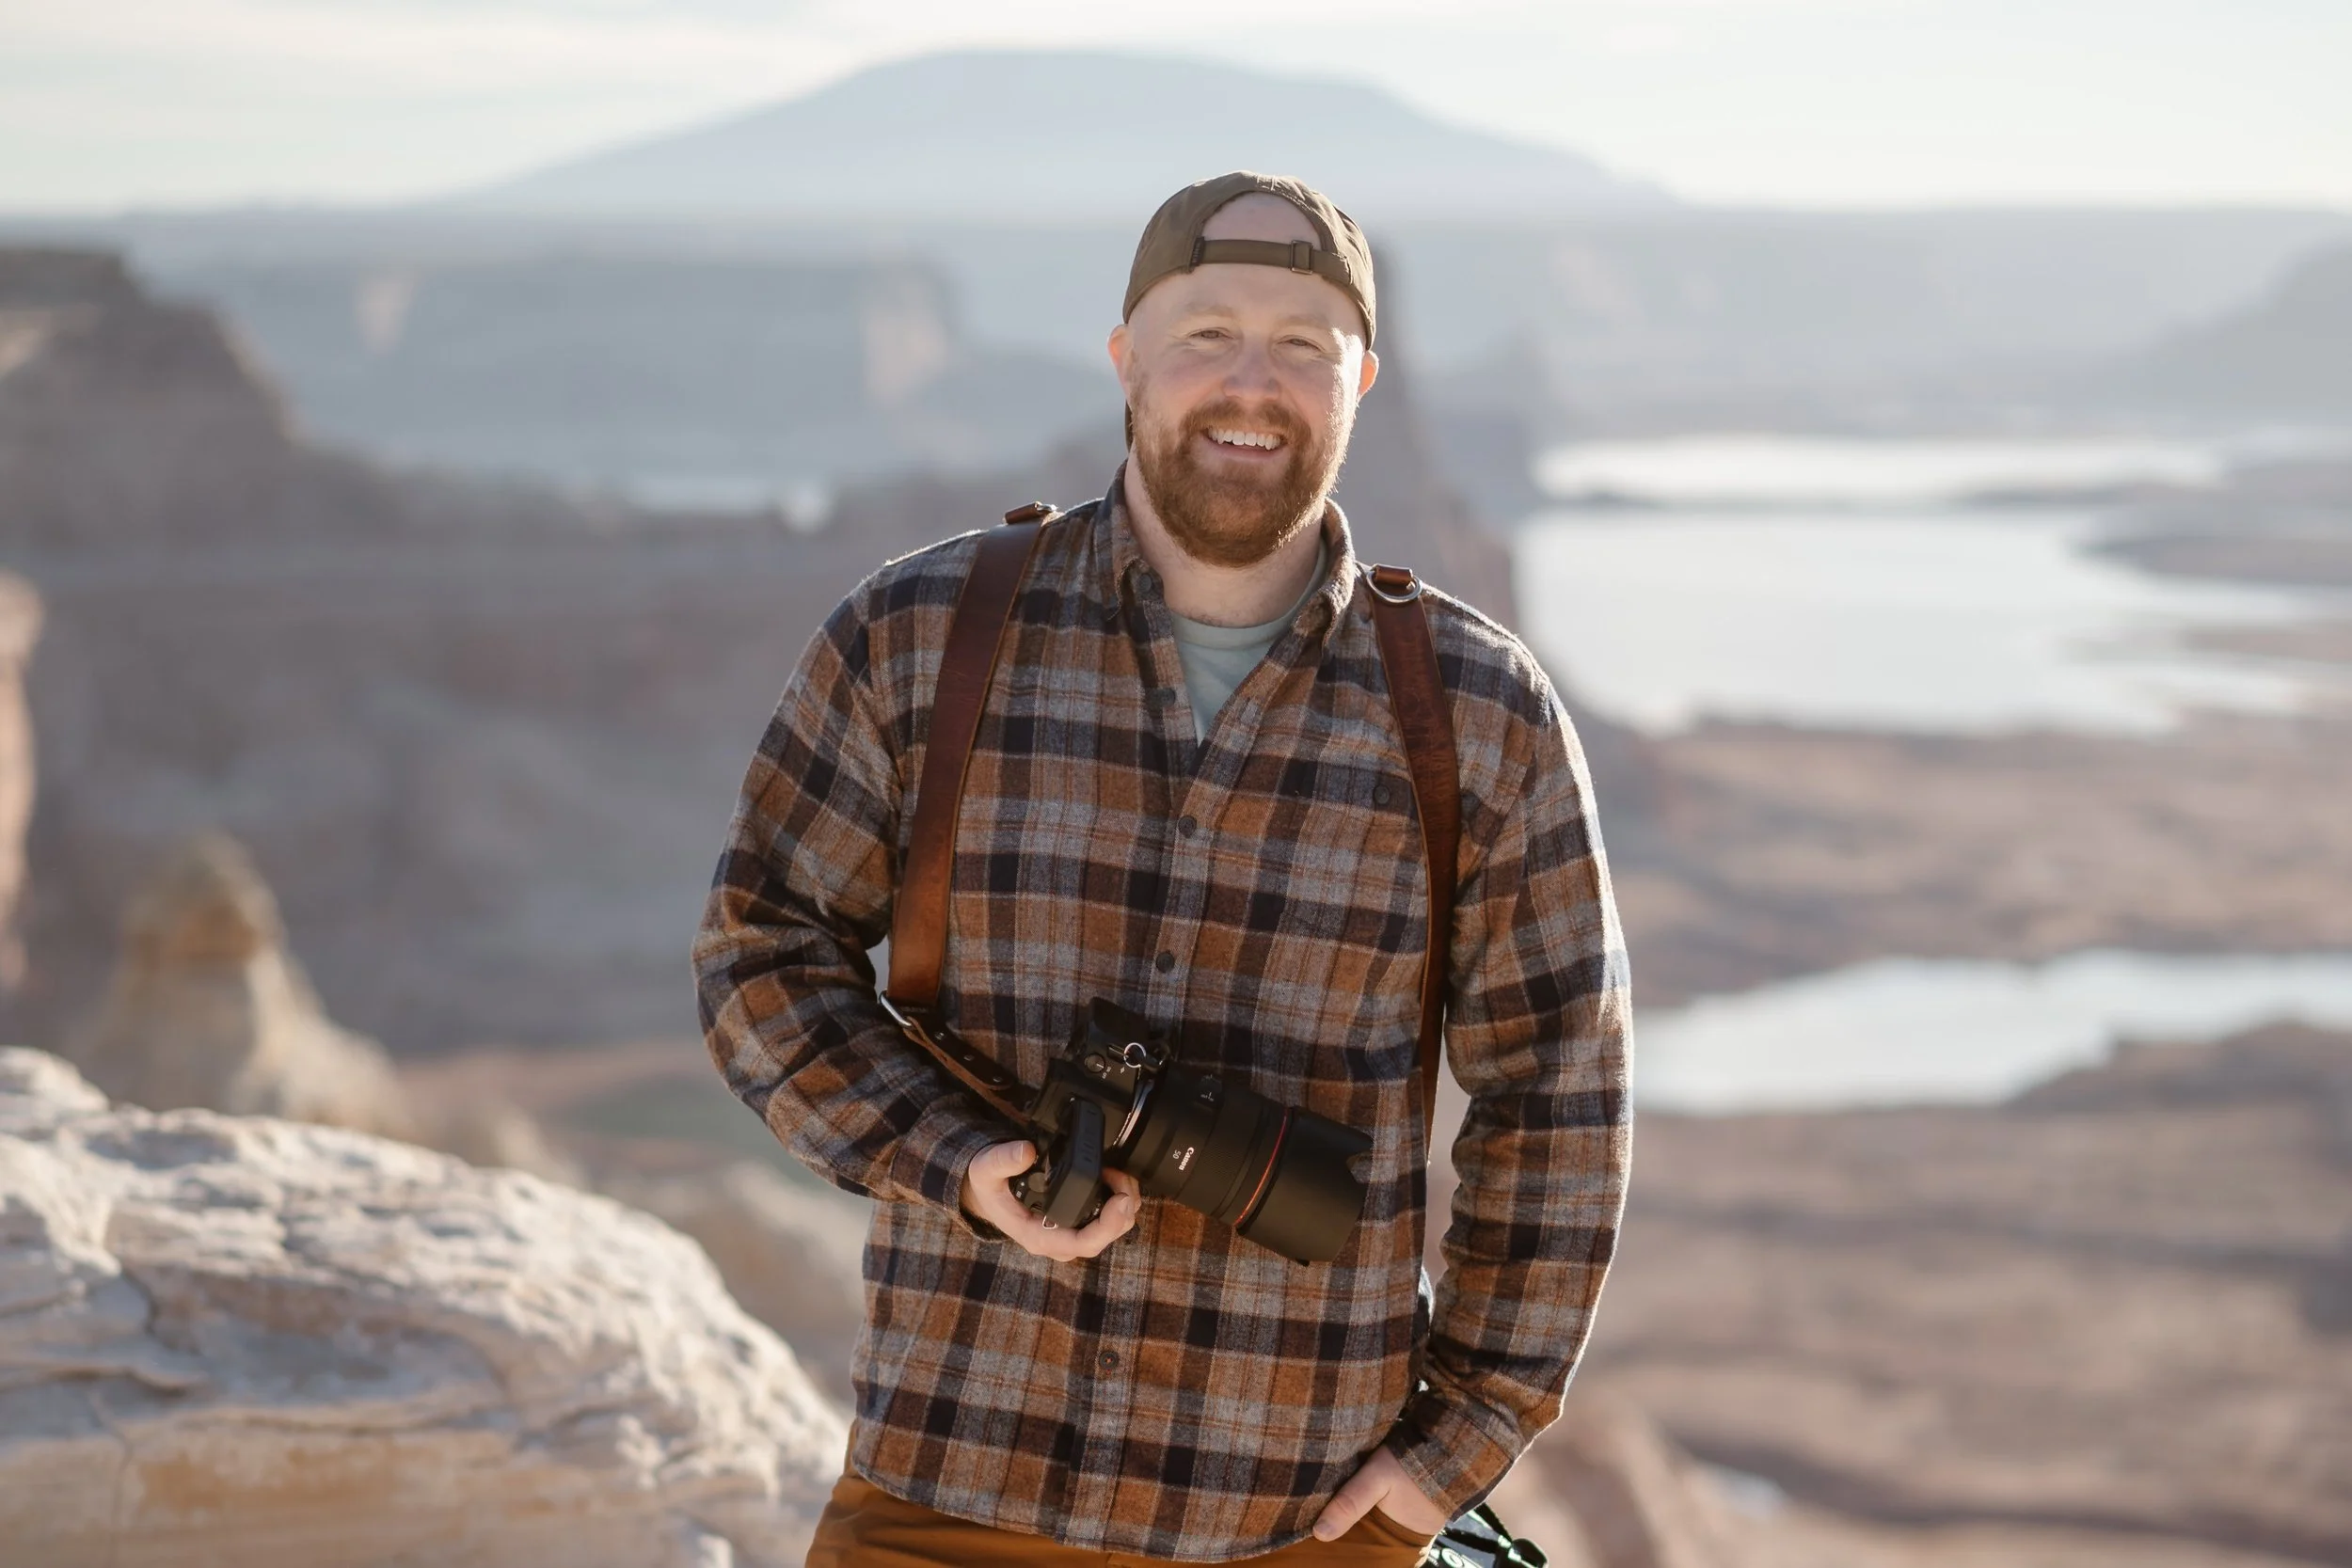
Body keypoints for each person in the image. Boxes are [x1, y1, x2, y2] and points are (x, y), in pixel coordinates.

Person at [694, 170, 1632, 1566]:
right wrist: (959, 1157)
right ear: (1126, 355)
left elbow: (1559, 1090)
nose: (1251, 386)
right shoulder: (921, 633)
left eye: (1303, 347)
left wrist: (1461, 1444)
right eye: (1207, 334)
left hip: (1297, 1519)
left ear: (1363, 379)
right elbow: (760, 949)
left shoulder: (1477, 713)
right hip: (951, 1485)